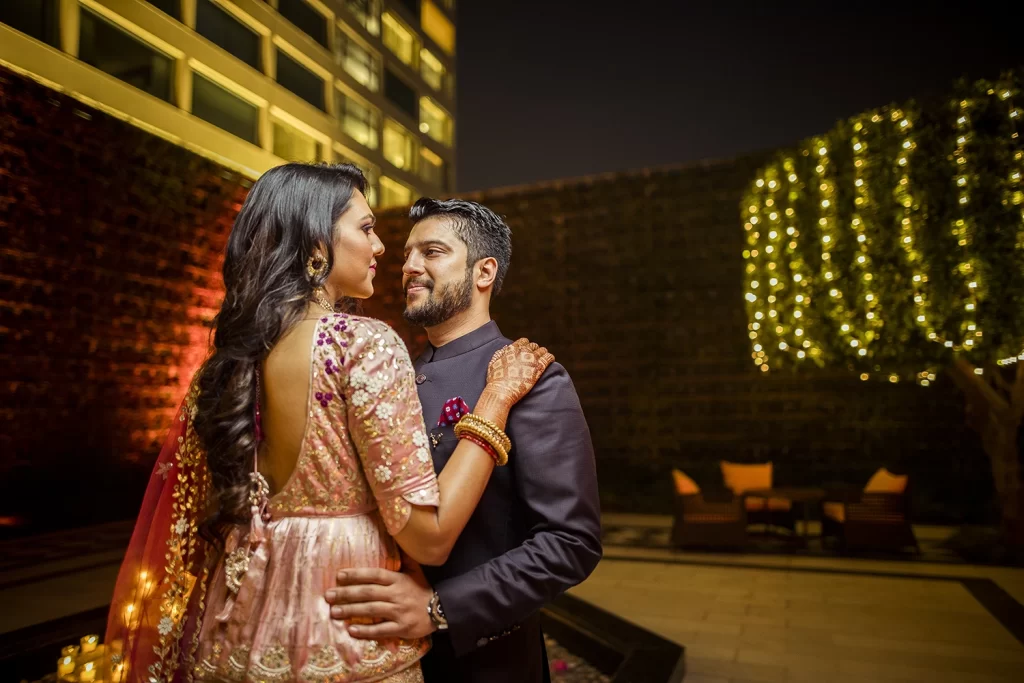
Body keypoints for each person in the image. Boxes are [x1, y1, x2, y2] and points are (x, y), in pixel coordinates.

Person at [103, 164, 554, 683]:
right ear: (317, 243)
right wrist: (496, 401)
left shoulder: (229, 362)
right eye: (366, 228)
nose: (383, 249)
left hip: (245, 622)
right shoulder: (361, 343)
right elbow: (429, 540)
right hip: (344, 626)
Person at [325, 198, 602, 683]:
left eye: (432, 252)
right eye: (408, 254)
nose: (409, 266)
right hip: (375, 654)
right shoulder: (389, 372)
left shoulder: (530, 375)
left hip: (483, 664)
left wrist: (440, 607)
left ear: (484, 272)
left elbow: (570, 541)